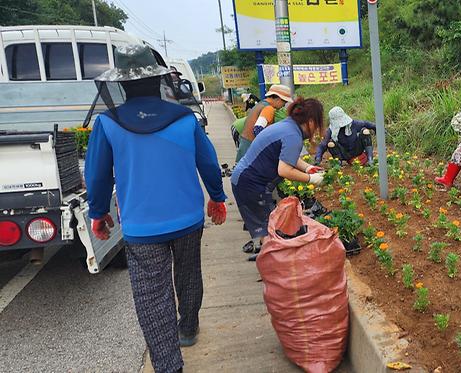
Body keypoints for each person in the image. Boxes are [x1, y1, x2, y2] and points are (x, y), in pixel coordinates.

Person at [84, 45, 226, 373]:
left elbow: (97, 174)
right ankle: (188, 328)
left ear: (121, 84)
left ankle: (168, 364)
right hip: (188, 220)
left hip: (140, 228)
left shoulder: (108, 123)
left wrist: (98, 213)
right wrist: (216, 197)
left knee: (152, 297)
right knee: (188, 274)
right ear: (158, 81)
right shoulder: (185, 118)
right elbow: (207, 162)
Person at [231, 97, 325, 260]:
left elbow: (286, 156)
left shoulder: (287, 127)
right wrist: (311, 179)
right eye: (317, 124)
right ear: (310, 121)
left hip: (245, 180)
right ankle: (276, 271)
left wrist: (307, 167)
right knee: (269, 233)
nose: (316, 129)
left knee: (267, 229)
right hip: (251, 183)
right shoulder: (292, 135)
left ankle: (272, 267)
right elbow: (284, 170)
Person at [235, 85, 292, 162]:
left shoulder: (261, 104)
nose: (283, 105)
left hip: (245, 143)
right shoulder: (269, 108)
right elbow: (258, 128)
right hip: (251, 146)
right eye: (284, 102)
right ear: (278, 99)